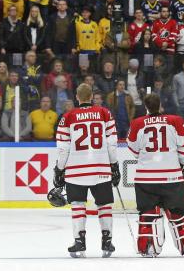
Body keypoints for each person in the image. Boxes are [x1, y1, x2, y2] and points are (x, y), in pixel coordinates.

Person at [126, 93, 184, 257]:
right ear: (160, 105)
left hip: (145, 179)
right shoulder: (175, 121)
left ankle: (148, 247)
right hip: (171, 178)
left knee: (148, 213)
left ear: (146, 107)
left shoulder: (137, 123)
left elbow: (133, 150)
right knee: (179, 212)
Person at [52, 83, 119, 258]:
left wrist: (59, 170)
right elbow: (112, 143)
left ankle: (79, 242)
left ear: (77, 97)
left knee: (78, 205)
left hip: (76, 170)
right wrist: (114, 165)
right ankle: (107, 240)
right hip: (101, 167)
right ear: (91, 97)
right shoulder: (105, 113)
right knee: (104, 205)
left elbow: (63, 148)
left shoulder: (68, 117)